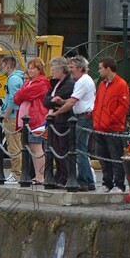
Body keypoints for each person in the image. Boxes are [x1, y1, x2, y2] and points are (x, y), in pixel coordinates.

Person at [49, 55, 97, 191]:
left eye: (72, 67)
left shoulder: (82, 81)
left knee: (79, 150)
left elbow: (72, 102)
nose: (70, 70)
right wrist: (62, 101)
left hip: (83, 118)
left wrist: (56, 112)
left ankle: (83, 181)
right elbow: (74, 100)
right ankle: (88, 180)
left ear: (80, 68)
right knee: (80, 150)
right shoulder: (81, 81)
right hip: (82, 116)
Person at [93, 56, 130, 192]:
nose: (99, 71)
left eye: (100, 68)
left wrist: (110, 119)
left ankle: (119, 184)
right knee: (103, 158)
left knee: (115, 158)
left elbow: (123, 106)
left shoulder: (121, 84)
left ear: (108, 68)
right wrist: (96, 118)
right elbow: (97, 102)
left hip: (114, 128)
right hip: (100, 126)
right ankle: (107, 183)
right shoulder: (102, 84)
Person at [13, 58, 51, 184]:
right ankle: (36, 175)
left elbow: (22, 94)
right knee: (31, 147)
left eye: (32, 68)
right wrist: (20, 93)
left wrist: (20, 93)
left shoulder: (41, 82)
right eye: (28, 68)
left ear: (39, 70)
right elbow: (17, 98)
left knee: (36, 146)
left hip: (36, 119)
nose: (29, 70)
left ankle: (40, 176)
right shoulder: (30, 82)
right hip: (27, 121)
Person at [42, 57, 75, 187]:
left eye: (54, 69)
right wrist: (52, 100)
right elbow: (47, 100)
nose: (52, 72)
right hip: (54, 121)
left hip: (63, 122)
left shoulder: (69, 84)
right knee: (54, 149)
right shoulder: (55, 83)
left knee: (63, 150)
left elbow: (60, 100)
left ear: (62, 69)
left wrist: (54, 102)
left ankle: (65, 176)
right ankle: (57, 175)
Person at [0, 55, 25, 183]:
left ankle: (16, 173)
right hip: (18, 115)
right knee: (18, 145)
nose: (1, 68)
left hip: (12, 116)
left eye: (3, 66)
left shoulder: (12, 80)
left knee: (13, 146)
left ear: (9, 66)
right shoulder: (18, 78)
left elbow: (13, 99)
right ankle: (18, 172)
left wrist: (6, 114)